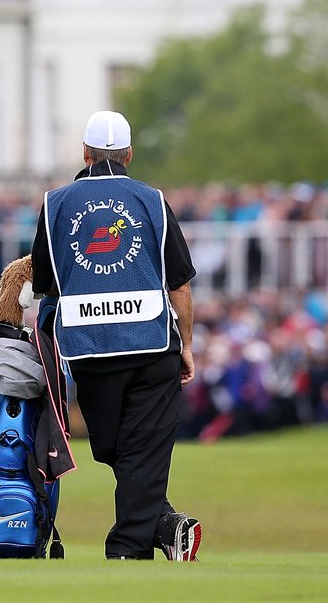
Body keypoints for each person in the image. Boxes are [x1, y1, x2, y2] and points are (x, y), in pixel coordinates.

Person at [30, 110, 201, 561]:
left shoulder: (55, 203)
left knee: (123, 447)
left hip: (90, 351)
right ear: (129, 154)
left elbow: (46, 284)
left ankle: (127, 547)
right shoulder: (152, 200)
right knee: (126, 450)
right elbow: (180, 285)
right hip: (152, 346)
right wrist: (186, 344)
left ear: (85, 154)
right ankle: (163, 524)